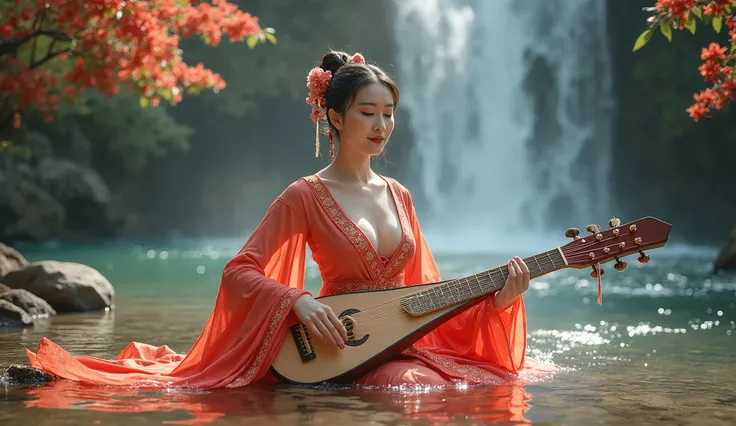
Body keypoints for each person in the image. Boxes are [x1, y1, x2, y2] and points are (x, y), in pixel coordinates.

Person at [25, 50, 545, 389]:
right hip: (338, 343)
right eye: (368, 111)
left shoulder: (400, 195)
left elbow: (425, 290)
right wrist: (296, 299)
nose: (382, 124)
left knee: (491, 384)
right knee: (413, 391)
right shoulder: (305, 195)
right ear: (335, 118)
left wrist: (499, 300)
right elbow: (240, 270)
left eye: (389, 112)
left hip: (400, 338)